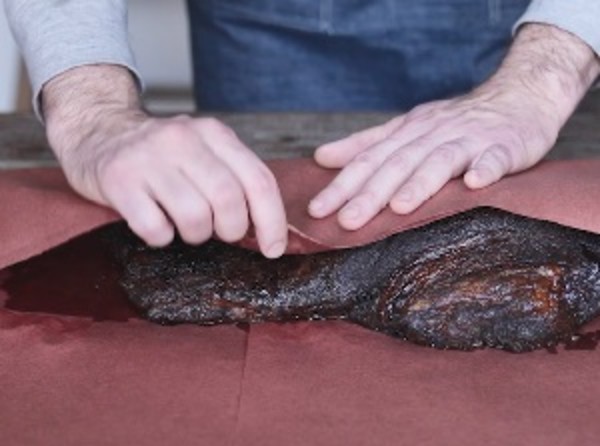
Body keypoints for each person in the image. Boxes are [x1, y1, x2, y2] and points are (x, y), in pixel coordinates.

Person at [5, 1, 600, 258]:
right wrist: (93, 114)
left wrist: (539, 83)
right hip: (264, 25)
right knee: (261, 252)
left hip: (537, 24)